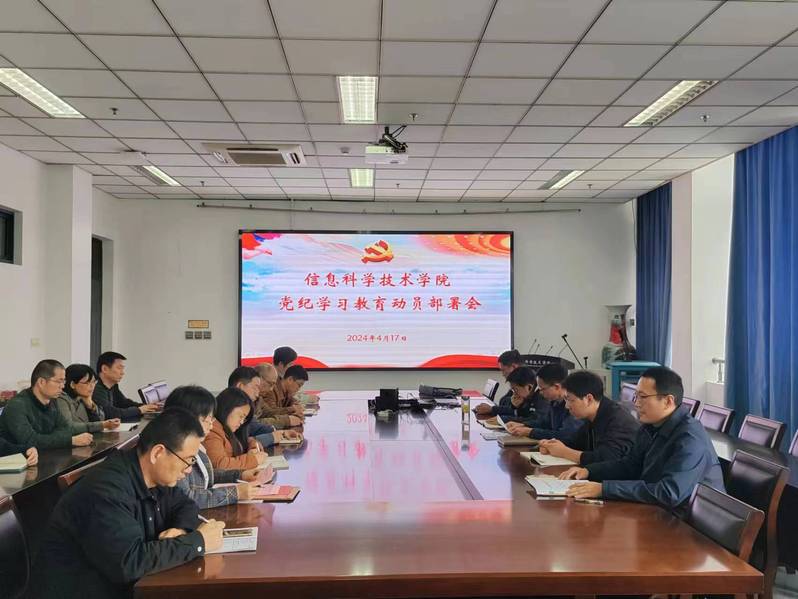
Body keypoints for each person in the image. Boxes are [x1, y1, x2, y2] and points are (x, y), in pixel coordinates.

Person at [31, 409, 226, 599]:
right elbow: (129, 562)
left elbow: (185, 505)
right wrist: (198, 542)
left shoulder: (153, 476)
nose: (189, 470)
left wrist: (180, 529)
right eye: (188, 460)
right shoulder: (106, 491)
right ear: (158, 453)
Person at [561, 366, 725, 511]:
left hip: (689, 524)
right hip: (657, 511)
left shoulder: (690, 440)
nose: (636, 403)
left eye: (642, 397)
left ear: (668, 401)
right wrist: (589, 471)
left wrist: (604, 489)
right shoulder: (650, 426)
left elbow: (669, 492)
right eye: (636, 396)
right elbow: (629, 466)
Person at [164, 385, 272, 508]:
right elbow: (187, 498)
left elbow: (207, 475)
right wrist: (235, 493)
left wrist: (240, 475)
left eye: (212, 418)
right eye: (206, 419)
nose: (211, 425)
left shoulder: (196, 446)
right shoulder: (172, 453)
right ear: (184, 419)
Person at [537, 370, 639, 466]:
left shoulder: (618, 421)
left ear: (589, 399)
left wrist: (564, 452)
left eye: (570, 400)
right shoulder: (593, 415)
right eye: (565, 400)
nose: (567, 406)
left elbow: (607, 459)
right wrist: (552, 445)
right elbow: (576, 442)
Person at [0, 359, 93, 449]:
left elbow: (66, 429)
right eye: (59, 381)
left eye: (63, 381)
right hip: (20, 457)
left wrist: (48, 439)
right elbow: (30, 441)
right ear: (41, 382)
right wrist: (70, 440)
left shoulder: (52, 401)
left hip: (48, 454)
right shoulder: (16, 406)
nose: (62, 386)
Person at [504, 363, 584, 444]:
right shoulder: (554, 402)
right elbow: (544, 423)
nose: (540, 393)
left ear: (557, 387)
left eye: (542, 389)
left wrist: (530, 432)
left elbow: (565, 435)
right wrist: (523, 425)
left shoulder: (573, 405)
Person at [229, 366, 300, 448]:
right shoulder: (229, 407)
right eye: (255, 387)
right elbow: (242, 443)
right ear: (240, 386)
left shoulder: (248, 403)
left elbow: (256, 426)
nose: (257, 393)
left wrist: (282, 433)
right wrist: (273, 437)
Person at [474, 350, 550, 424]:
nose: (502, 374)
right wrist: (514, 406)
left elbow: (536, 420)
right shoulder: (523, 388)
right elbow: (505, 403)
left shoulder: (538, 392)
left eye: (503, 370)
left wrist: (504, 419)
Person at [205, 387, 268, 470]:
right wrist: (253, 460)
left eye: (244, 418)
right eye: (241, 416)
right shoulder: (212, 431)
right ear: (227, 408)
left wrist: (252, 444)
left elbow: (240, 441)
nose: (242, 422)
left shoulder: (227, 428)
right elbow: (219, 465)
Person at [92, 351, 159, 422]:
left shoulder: (113, 386)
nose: (122, 373)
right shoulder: (95, 387)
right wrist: (139, 410)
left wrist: (147, 406)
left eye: (122, 369)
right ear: (104, 369)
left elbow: (124, 403)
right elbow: (109, 413)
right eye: (119, 368)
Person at [56, 364, 121, 434]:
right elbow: (69, 427)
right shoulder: (61, 399)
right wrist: (102, 425)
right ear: (72, 384)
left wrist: (90, 405)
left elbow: (101, 418)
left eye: (93, 382)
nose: (92, 386)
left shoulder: (81, 397)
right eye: (86, 383)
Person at [255, 362, 303, 428]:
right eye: (270, 384)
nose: (271, 389)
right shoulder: (246, 397)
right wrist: (286, 420)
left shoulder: (259, 398)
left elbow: (269, 412)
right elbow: (253, 425)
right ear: (258, 379)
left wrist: (292, 411)